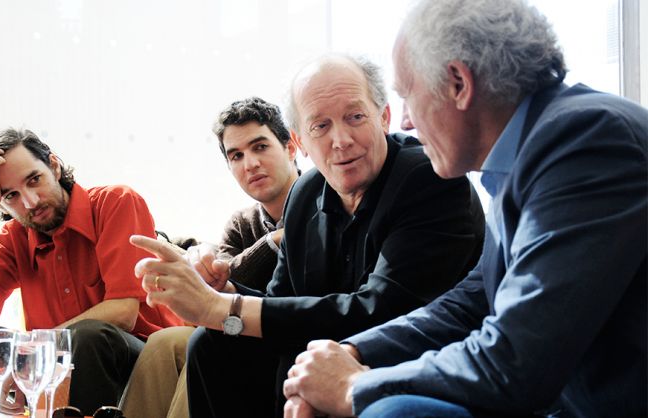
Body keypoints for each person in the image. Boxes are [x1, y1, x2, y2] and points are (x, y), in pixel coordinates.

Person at [281, 1, 648, 417]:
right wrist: (353, 352)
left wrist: (354, 387)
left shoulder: (587, 141)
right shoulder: (528, 155)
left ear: (458, 83)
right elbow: (473, 301)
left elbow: (515, 361)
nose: (405, 122)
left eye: (407, 95)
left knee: (394, 412)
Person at [131, 54, 486, 417]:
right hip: (322, 361)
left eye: (355, 117)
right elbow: (281, 302)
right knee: (212, 344)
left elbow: (382, 311)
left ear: (384, 117)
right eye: (320, 126)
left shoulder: (428, 177)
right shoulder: (305, 194)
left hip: (409, 367)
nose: (341, 140)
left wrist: (223, 308)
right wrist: (223, 290)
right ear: (300, 141)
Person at [0, 128, 183, 416]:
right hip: (53, 362)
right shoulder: (14, 237)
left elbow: (123, 312)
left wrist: (32, 351)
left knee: (87, 336)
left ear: (54, 165)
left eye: (34, 180)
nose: (31, 202)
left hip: (137, 361)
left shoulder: (115, 202)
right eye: (10, 195)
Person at [119, 97, 301, 418]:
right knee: (164, 343)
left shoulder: (322, 201)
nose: (250, 164)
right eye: (236, 156)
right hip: (244, 331)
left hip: (296, 333)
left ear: (290, 147)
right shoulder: (241, 224)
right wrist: (271, 242)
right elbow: (221, 282)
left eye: (260, 147)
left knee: (205, 341)